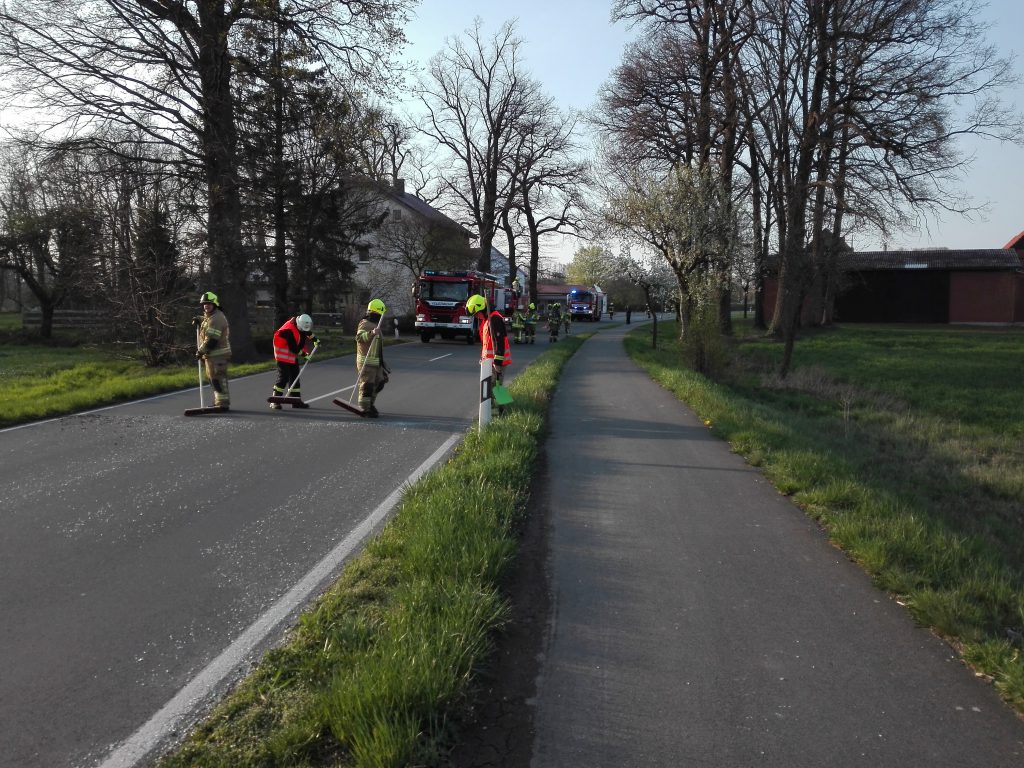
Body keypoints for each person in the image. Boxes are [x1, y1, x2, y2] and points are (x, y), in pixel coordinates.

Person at [467, 294, 511, 411]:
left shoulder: (494, 319)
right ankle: (492, 412)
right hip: (489, 362)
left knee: (494, 388)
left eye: (477, 313)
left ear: (481, 308)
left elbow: (499, 341)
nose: (477, 316)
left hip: (497, 362)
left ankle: (500, 412)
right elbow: (488, 344)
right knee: (490, 388)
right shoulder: (487, 320)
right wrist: (484, 358)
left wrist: (497, 362)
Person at [270, 313, 319, 409]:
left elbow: (307, 332)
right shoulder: (288, 330)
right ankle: (275, 401)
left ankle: (295, 401)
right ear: (299, 324)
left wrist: (315, 339)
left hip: (291, 356)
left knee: (295, 377)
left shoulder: (300, 326)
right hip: (282, 356)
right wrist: (304, 355)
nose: (304, 330)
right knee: (283, 377)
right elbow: (293, 347)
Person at [195, 291, 231, 410]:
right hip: (211, 356)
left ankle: (222, 404)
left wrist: (200, 351)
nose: (206, 305)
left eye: (209, 304)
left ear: (215, 304)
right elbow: (207, 322)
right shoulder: (210, 317)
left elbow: (212, 340)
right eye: (204, 304)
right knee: (213, 379)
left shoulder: (216, 319)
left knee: (218, 380)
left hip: (217, 355)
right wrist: (200, 319)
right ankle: (219, 402)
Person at [355, 299, 390, 417]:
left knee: (380, 382)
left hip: (376, 362)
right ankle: (365, 408)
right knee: (367, 386)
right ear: (375, 312)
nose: (381, 317)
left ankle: (370, 404)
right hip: (366, 362)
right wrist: (371, 333)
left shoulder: (375, 325)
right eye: (380, 314)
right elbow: (359, 337)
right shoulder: (365, 323)